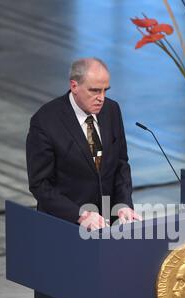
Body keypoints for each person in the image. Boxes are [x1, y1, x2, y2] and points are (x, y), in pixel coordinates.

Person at [26, 57, 141, 230]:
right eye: (94, 91)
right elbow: (40, 185)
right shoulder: (45, 122)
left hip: (107, 226)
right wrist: (80, 215)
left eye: (105, 91)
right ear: (74, 86)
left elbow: (120, 164)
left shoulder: (111, 110)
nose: (101, 98)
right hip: (64, 226)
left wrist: (123, 204)